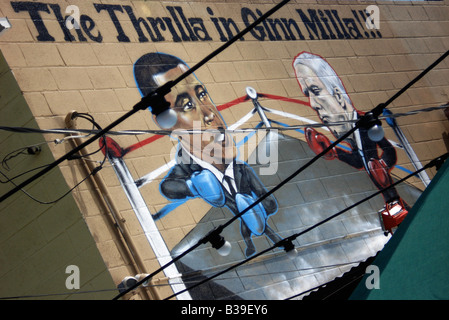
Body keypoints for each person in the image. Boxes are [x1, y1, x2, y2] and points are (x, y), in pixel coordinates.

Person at [133, 52, 282, 256]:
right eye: (187, 106)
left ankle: (274, 241)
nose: (209, 114)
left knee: (256, 219)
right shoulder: (187, 167)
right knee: (248, 222)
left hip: (247, 206)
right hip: (234, 212)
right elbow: (168, 187)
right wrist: (192, 185)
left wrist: (266, 203)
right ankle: (251, 244)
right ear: (164, 121)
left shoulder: (241, 168)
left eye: (202, 94)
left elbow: (265, 197)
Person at [293, 51, 408, 232]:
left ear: (338, 96)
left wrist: (382, 165)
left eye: (315, 91)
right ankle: (398, 225)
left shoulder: (364, 126)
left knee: (403, 221)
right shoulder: (352, 136)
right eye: (308, 94)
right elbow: (358, 160)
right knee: (398, 221)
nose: (313, 104)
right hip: (389, 198)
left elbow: (389, 152)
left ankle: (402, 224)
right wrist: (335, 153)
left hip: (391, 197)